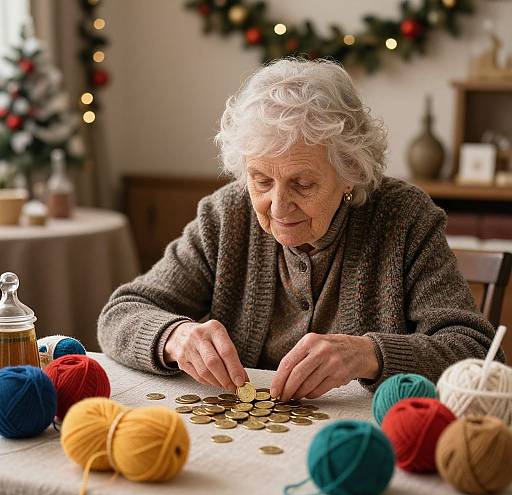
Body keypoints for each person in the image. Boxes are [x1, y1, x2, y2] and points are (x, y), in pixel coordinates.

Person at [98, 58, 503, 402]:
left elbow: (479, 354)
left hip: (365, 440)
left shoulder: (403, 219)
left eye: (303, 184)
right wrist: (174, 336)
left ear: (351, 174)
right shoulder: (226, 215)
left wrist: (370, 354)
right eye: (260, 180)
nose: (277, 207)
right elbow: (120, 313)